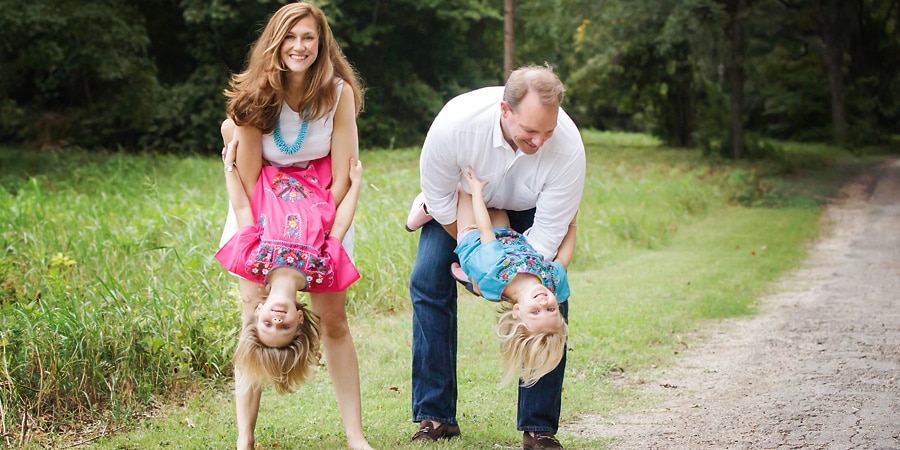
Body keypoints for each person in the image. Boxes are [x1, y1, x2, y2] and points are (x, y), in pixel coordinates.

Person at [407, 64, 585, 450]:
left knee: (552, 298)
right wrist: (476, 258)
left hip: (530, 215)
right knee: (426, 279)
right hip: (462, 207)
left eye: (548, 132)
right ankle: (435, 415)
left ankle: (538, 427)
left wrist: (514, 282)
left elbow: (547, 239)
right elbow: (440, 198)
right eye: (530, 131)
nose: (540, 141)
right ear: (505, 111)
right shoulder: (455, 125)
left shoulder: (568, 148)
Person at [218, 3, 372, 450]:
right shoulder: (256, 91)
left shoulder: (338, 92)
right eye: (290, 37)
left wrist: (320, 228)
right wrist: (236, 143)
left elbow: (344, 175)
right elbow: (246, 182)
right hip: (259, 202)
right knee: (252, 316)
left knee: (336, 321)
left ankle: (354, 435)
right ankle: (245, 437)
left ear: (321, 45)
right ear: (275, 42)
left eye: (308, 38)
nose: (298, 46)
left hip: (324, 205)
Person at [215, 140, 362, 393]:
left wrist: (230, 168)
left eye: (267, 324)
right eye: (285, 327)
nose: (277, 319)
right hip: (318, 176)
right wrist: (355, 185)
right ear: (300, 318)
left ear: (258, 311)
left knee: (230, 129)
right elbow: (339, 226)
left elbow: (241, 207)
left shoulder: (253, 263)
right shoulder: (322, 273)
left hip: (265, 175)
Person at [455, 165, 575, 388]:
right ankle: (471, 280)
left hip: (474, 239)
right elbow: (564, 259)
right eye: (551, 309)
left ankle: (425, 207)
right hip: (508, 237)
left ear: (518, 311)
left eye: (535, 311)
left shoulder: (497, 271)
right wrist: (572, 223)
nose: (544, 302)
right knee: (499, 208)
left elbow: (485, 231)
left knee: (464, 192)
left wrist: (477, 193)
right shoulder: (550, 282)